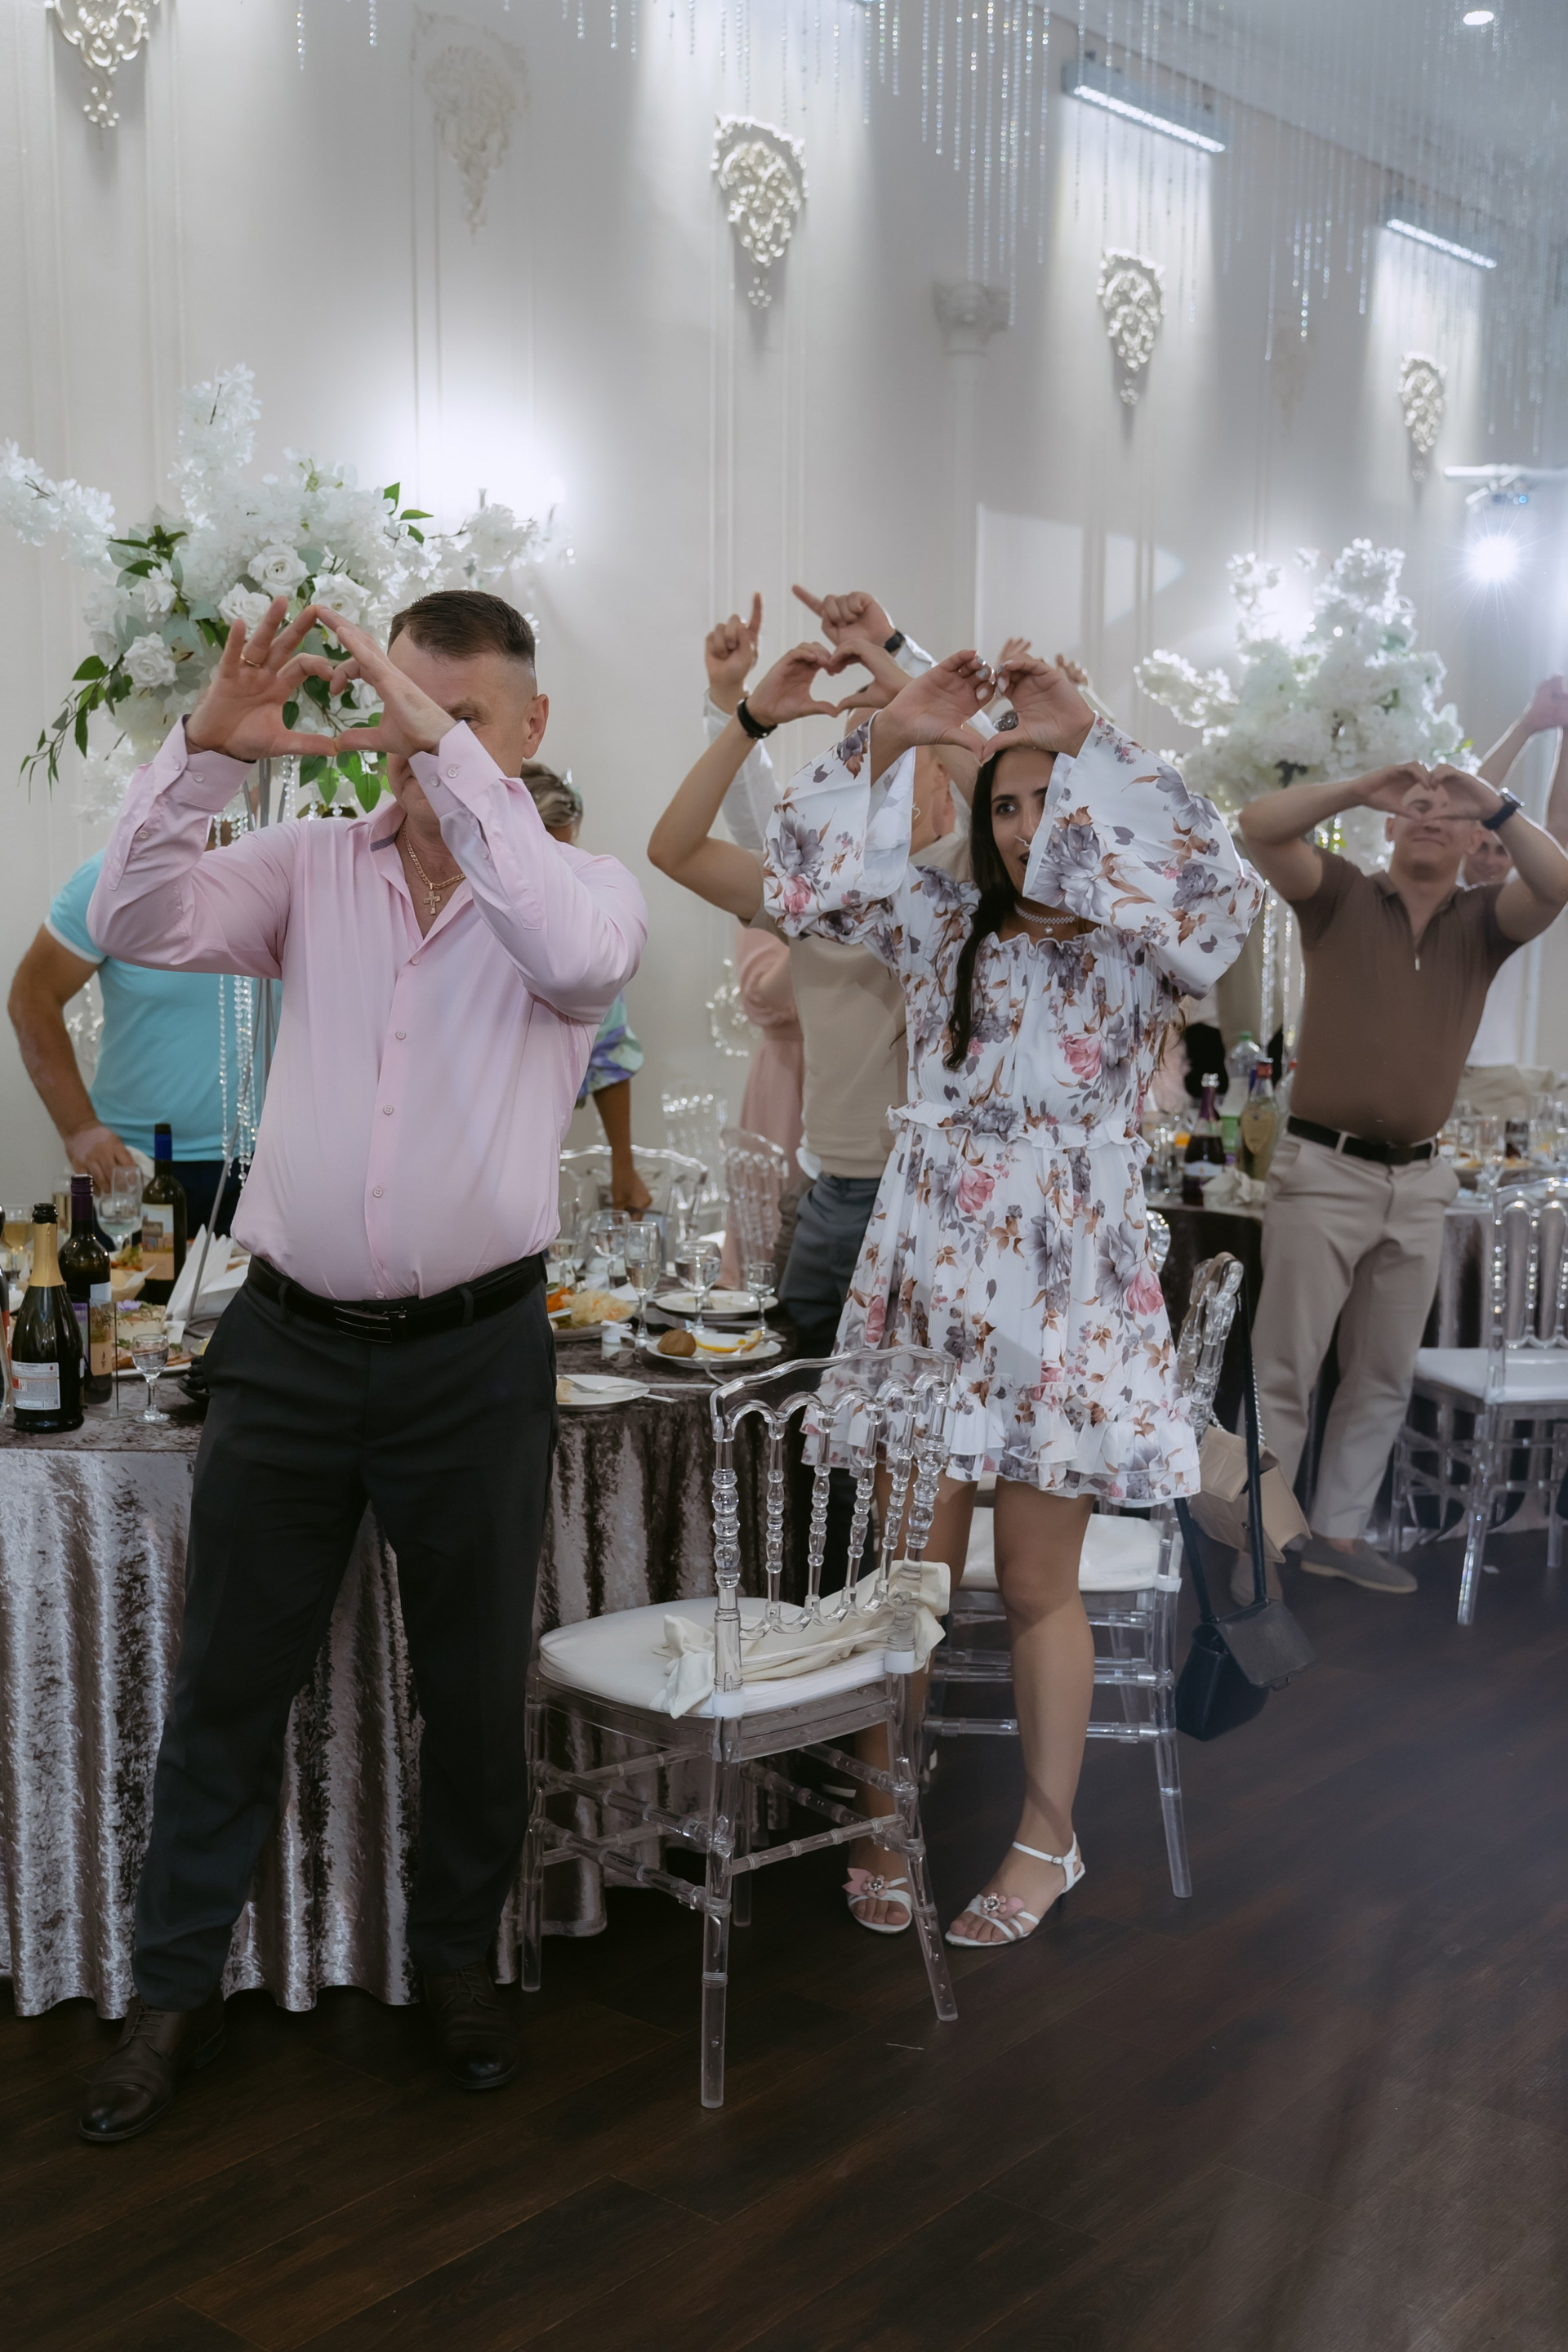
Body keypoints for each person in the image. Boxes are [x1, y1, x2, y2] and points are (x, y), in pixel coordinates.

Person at [74, 588, 645, 2145]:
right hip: (289, 1350)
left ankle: (458, 1961)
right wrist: (205, 753)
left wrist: (444, 749)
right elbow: (132, 920)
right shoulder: (313, 866)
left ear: (529, 729)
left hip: (477, 1360)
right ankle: (173, 1993)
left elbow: (574, 959)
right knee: (224, 1682)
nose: (416, 746)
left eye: (455, 718)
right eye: (402, 717)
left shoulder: (581, 895)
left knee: (471, 1687)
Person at [765, 653, 1259, 1941]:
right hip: (933, 1271)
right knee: (907, 1575)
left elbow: (1224, 891)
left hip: (1068, 1285)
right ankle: (883, 1807)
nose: (1027, 825)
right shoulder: (938, 920)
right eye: (1005, 805)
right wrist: (888, 738)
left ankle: (1048, 1835)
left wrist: (1094, 732)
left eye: (1053, 799)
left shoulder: (1144, 945)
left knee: (1040, 1579)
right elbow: (804, 883)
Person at [1239, 759, 1568, 1593]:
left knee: (1383, 1373)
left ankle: (1340, 1535)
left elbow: (1558, 880)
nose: (1429, 815)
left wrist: (1495, 803)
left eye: (1449, 810)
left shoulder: (1486, 923)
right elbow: (1258, 825)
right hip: (1322, 1168)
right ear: (1390, 824)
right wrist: (1357, 787)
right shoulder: (1340, 894)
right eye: (1414, 805)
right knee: (1284, 1369)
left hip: (1421, 1183)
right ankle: (1259, 1544)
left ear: (1472, 834)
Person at [664, 587, 971, 1361]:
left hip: (918, 1191)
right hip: (824, 1188)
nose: (876, 774)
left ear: (943, 783)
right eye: (861, 759)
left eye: (901, 754)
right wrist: (743, 714)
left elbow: (1005, 776)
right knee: (797, 1403)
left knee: (893, 1417)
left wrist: (901, 664)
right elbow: (688, 845)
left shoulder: (965, 882)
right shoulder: (817, 894)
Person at [8, 848, 254, 1235]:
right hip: (132, 1169)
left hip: (261, 1168)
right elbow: (32, 996)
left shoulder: (281, 873)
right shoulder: (116, 877)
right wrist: (79, 1128)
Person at [522, 760, 653, 1215]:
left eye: (571, 855)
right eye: (551, 857)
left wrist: (624, 1167)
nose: (565, 875)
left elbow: (609, 1050)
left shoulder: (582, 929)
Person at [1458, 675, 1568, 1117]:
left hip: (1495, 1075)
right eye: (1481, 846)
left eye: (1502, 850)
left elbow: (1558, 838)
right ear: (1467, 844)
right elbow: (1465, 803)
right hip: (1432, 1063)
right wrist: (1527, 725)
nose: (1489, 859)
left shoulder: (1515, 906)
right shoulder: (1443, 894)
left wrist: (1566, 735)